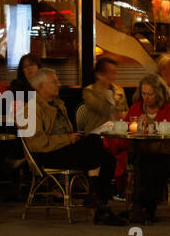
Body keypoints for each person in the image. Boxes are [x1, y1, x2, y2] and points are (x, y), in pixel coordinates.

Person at [24, 68, 124, 225]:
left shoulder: (59, 104)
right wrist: (67, 139)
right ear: (41, 86)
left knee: (108, 159)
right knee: (95, 141)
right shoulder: (31, 109)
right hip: (47, 155)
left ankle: (100, 205)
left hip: (64, 149)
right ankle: (97, 200)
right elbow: (37, 143)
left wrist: (74, 138)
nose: (59, 84)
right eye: (54, 82)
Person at [124, 72, 170, 221]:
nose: (146, 97)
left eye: (150, 94)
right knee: (143, 162)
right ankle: (142, 207)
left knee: (154, 163)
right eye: (144, 93)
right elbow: (126, 127)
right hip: (143, 152)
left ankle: (145, 207)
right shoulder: (137, 108)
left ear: (159, 93)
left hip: (168, 153)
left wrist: (151, 125)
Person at [79, 57, 127, 134]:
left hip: (117, 131)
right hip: (96, 132)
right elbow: (102, 109)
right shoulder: (90, 91)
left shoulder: (119, 91)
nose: (113, 75)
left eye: (114, 72)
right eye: (110, 72)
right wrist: (101, 86)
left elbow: (125, 111)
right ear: (99, 74)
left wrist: (124, 115)